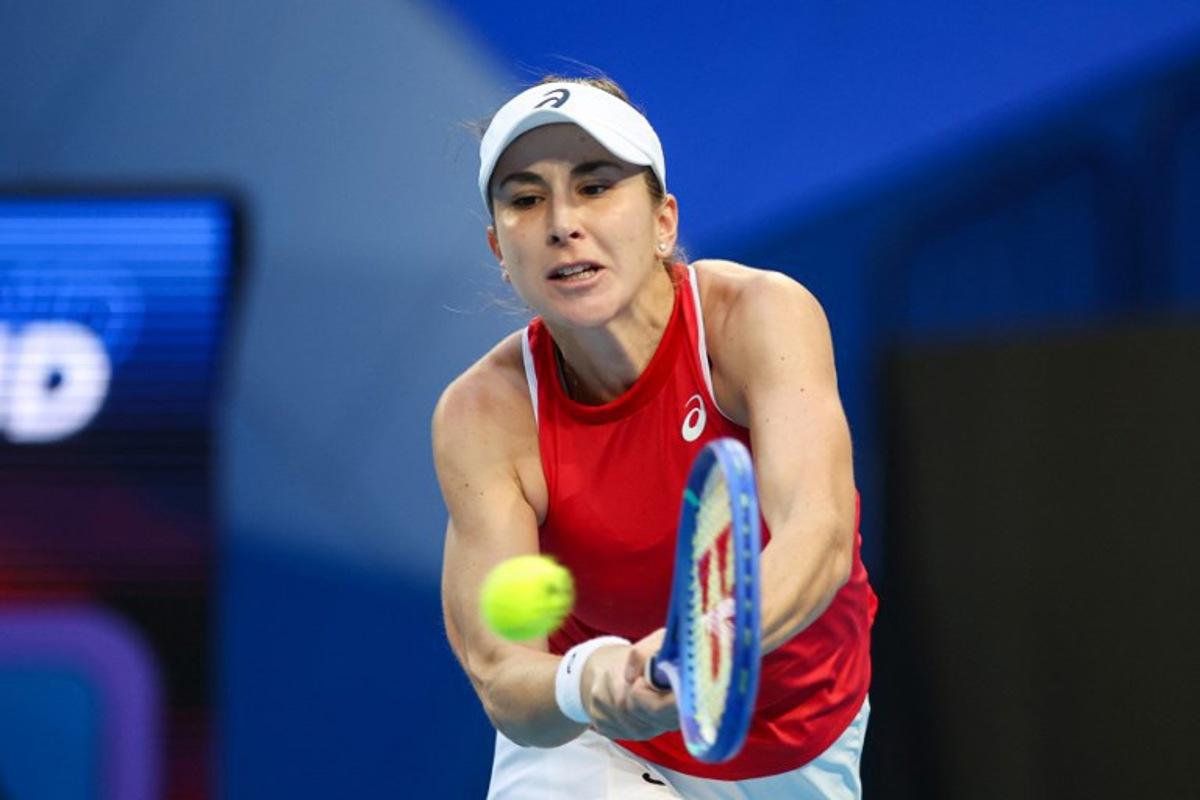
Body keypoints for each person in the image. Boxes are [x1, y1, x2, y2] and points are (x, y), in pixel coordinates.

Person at [433, 75, 877, 799]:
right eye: (525, 198)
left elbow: (818, 535)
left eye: (596, 186)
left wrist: (699, 651)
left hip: (799, 734)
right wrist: (588, 682)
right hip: (600, 738)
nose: (561, 223)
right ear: (498, 249)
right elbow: (502, 678)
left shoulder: (757, 318)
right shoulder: (483, 414)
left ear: (664, 220)